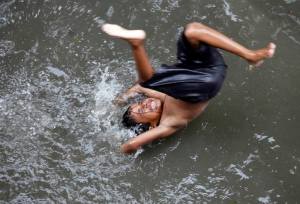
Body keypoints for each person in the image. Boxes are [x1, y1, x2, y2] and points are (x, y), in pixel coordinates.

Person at [101, 22, 276, 154]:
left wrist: (115, 104)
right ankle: (136, 44)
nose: (144, 105)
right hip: (206, 83)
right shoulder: (168, 124)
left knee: (191, 31)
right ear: (152, 125)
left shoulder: (161, 98)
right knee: (148, 80)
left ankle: (250, 55)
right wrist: (116, 151)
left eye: (139, 105)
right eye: (142, 112)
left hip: (209, 67)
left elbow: (139, 89)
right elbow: (131, 145)